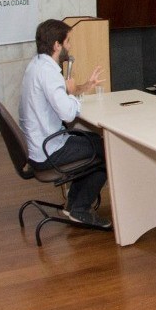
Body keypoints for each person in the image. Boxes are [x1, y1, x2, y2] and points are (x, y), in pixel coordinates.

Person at [19, 19, 109, 228]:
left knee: (94, 141)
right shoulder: (49, 73)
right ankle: (79, 209)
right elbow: (68, 114)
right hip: (48, 150)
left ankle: (74, 205)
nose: (69, 46)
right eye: (68, 41)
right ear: (57, 45)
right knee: (106, 150)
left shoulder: (36, 66)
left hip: (39, 145)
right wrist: (71, 93)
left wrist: (77, 89)